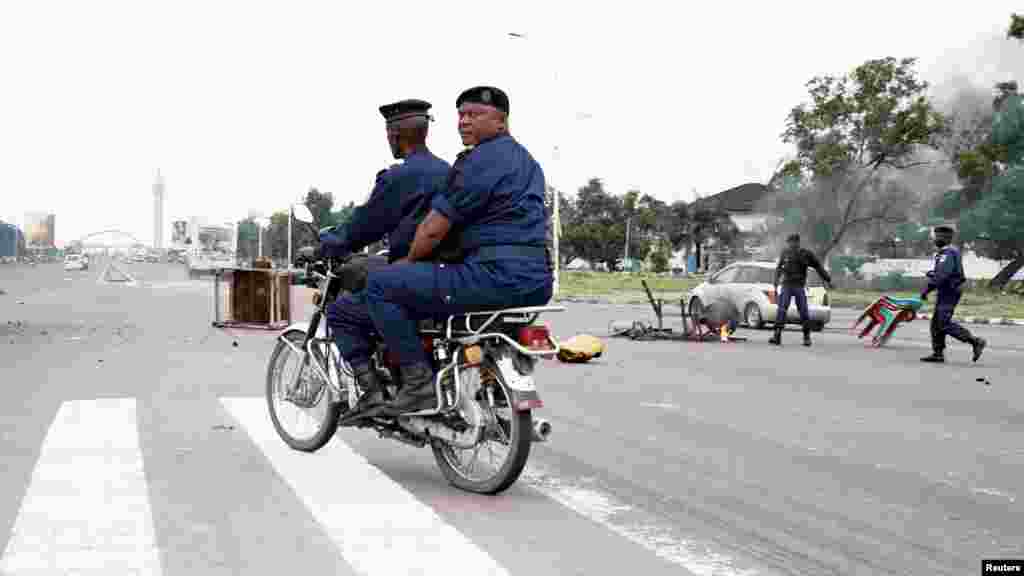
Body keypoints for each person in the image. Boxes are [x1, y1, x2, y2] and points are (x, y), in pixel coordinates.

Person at [361, 85, 553, 417]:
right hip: (537, 279)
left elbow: (434, 228)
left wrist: (407, 261)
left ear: (501, 122)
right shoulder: (528, 162)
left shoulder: (480, 160)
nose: (464, 122)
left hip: (492, 276)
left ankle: (418, 384)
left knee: (382, 285)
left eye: (475, 115)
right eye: (461, 115)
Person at [318, 99, 451, 416]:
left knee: (342, 313)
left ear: (394, 135)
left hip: (412, 276)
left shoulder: (401, 177)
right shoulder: (449, 171)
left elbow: (365, 226)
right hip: (449, 274)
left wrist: (329, 244)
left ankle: (374, 392)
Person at [920, 225, 986, 363]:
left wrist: (927, 289)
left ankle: (975, 341)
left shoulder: (947, 253)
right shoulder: (948, 252)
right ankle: (938, 353)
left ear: (943, 238)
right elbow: (945, 273)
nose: (934, 240)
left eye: (936, 237)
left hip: (950, 291)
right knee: (936, 323)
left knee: (943, 322)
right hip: (947, 290)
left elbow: (943, 275)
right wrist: (933, 274)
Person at [769, 233, 833, 347]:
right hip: (787, 285)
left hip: (799, 286)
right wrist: (776, 280)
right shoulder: (785, 253)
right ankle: (777, 335)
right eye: (789, 242)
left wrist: (828, 279)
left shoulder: (806, 254)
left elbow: (818, 266)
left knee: (803, 311)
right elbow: (779, 268)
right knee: (782, 309)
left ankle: (806, 337)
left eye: (793, 242)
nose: (791, 244)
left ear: (798, 242)